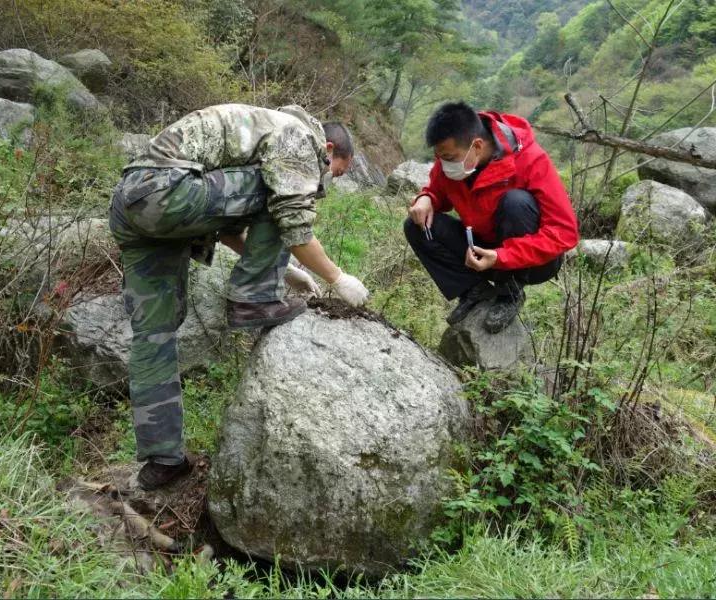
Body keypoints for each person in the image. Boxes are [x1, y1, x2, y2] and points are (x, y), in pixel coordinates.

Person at [109, 103, 369, 490]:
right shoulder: (295, 134)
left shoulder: (259, 128)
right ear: (328, 149)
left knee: (154, 335)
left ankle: (163, 462)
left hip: (132, 203)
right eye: (335, 172)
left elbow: (221, 216)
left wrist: (287, 270)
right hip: (167, 191)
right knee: (282, 189)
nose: (327, 182)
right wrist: (337, 276)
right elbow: (288, 209)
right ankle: (253, 298)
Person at [404, 101, 579, 333]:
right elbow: (437, 190)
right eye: (440, 157)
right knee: (416, 225)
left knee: (516, 202)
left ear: (477, 145)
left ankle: (510, 293)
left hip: (532, 261)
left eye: (449, 157)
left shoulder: (530, 160)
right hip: (481, 250)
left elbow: (565, 233)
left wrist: (502, 256)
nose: (444, 164)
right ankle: (474, 290)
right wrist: (426, 198)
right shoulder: (454, 158)